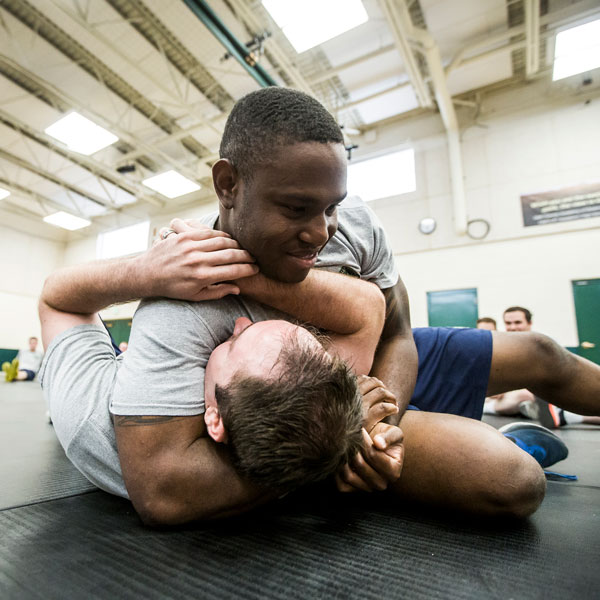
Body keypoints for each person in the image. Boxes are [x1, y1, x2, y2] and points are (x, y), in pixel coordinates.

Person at [40, 87, 600, 525]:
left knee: (542, 353)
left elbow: (395, 332)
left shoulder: (351, 222)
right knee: (505, 483)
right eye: (296, 208)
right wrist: (331, 445)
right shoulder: (180, 304)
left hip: (371, 375)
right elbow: (163, 490)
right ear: (228, 184)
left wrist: (380, 418)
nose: (320, 231)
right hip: (304, 412)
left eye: (331, 205)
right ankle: (505, 437)